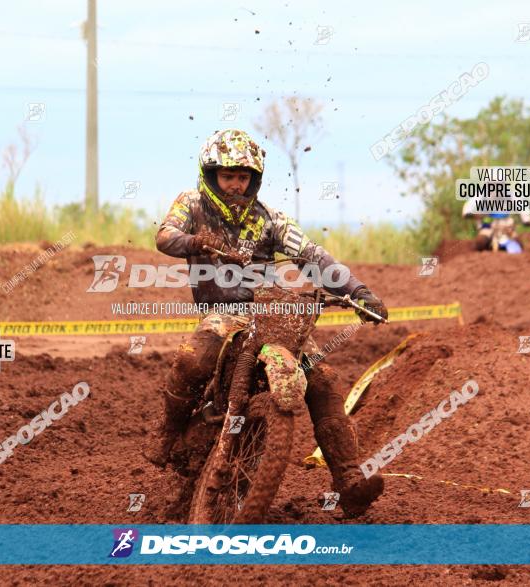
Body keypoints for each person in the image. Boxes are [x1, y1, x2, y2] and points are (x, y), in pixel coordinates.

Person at [143, 128, 388, 517]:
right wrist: (193, 242)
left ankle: (349, 481)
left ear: (254, 179)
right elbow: (165, 236)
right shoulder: (191, 204)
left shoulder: (270, 219)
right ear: (211, 176)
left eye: (244, 177)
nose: (236, 185)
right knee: (194, 358)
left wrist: (358, 291)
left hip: (271, 311)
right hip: (222, 313)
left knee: (322, 380)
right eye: (228, 176)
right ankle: (167, 432)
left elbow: (311, 255)